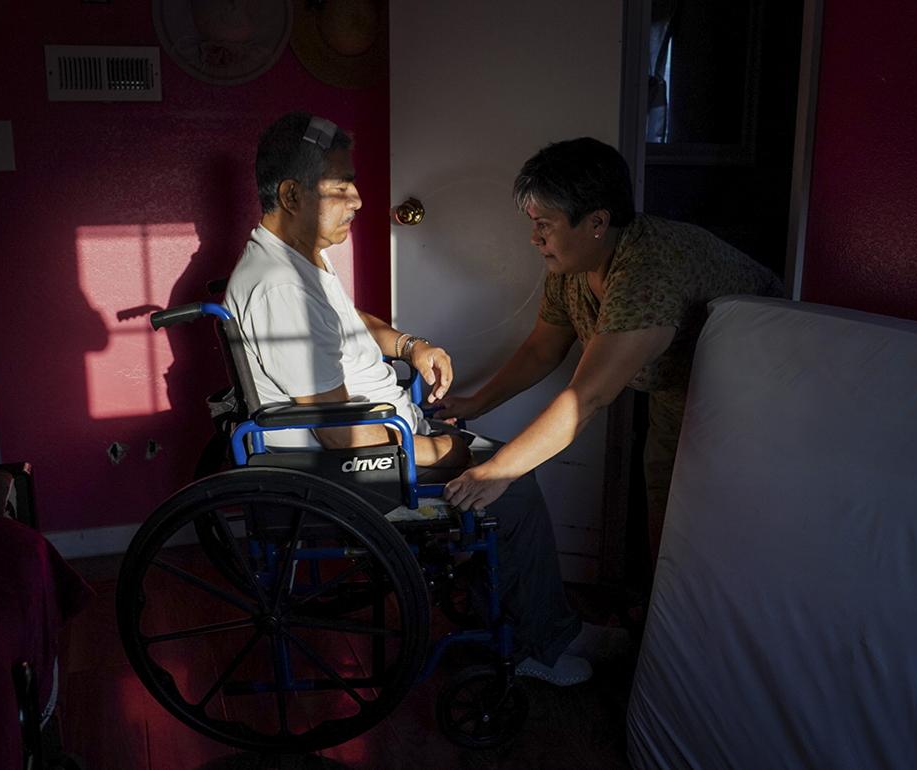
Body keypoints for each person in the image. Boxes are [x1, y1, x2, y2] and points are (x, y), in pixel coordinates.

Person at [225, 112, 598, 685]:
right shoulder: (279, 287)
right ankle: (538, 644)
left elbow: (348, 322)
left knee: (498, 467)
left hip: (384, 434)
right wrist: (429, 448)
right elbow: (336, 432)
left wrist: (407, 344)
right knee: (513, 484)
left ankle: (542, 621)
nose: (357, 198)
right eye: (340, 186)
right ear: (292, 194)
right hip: (350, 465)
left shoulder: (296, 262)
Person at [438, 137, 784, 562]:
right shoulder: (573, 267)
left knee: (716, 502)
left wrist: (502, 469)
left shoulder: (647, 271)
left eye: (544, 224)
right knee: (665, 486)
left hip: (758, 383)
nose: (533, 238)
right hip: (682, 384)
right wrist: (475, 403)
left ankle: (693, 616)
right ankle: (664, 607)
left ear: (597, 221)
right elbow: (542, 350)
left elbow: (590, 395)